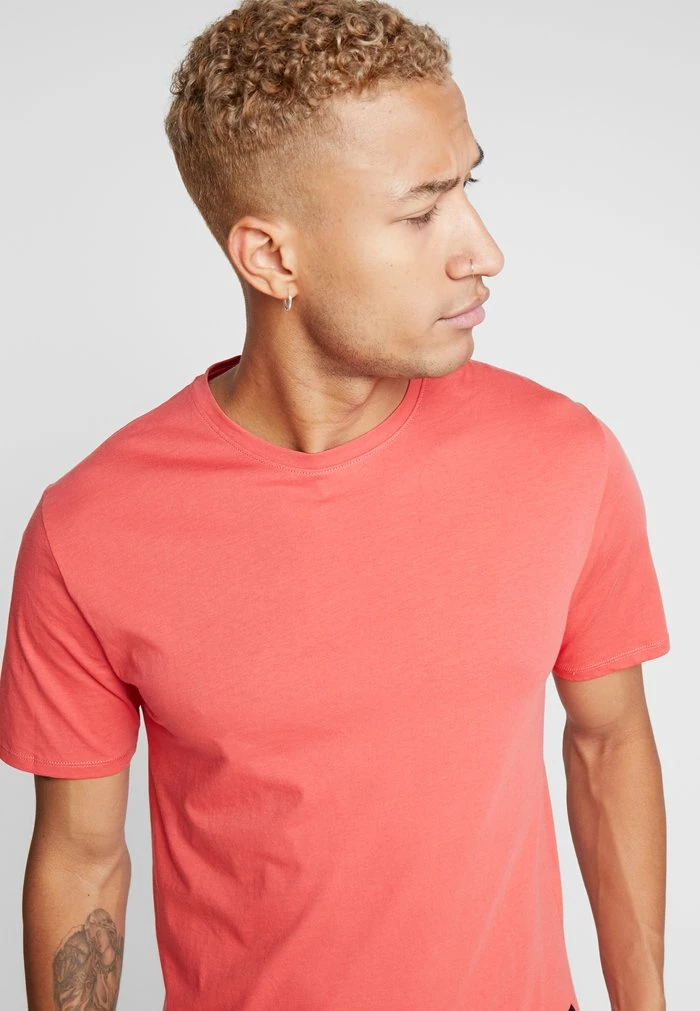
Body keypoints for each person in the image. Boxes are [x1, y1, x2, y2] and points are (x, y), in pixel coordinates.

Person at [0, 1, 671, 1008]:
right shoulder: (88, 530)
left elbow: (607, 742)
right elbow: (82, 859)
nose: (482, 250)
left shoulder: (564, 457)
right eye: (420, 212)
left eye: (468, 186)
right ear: (272, 258)